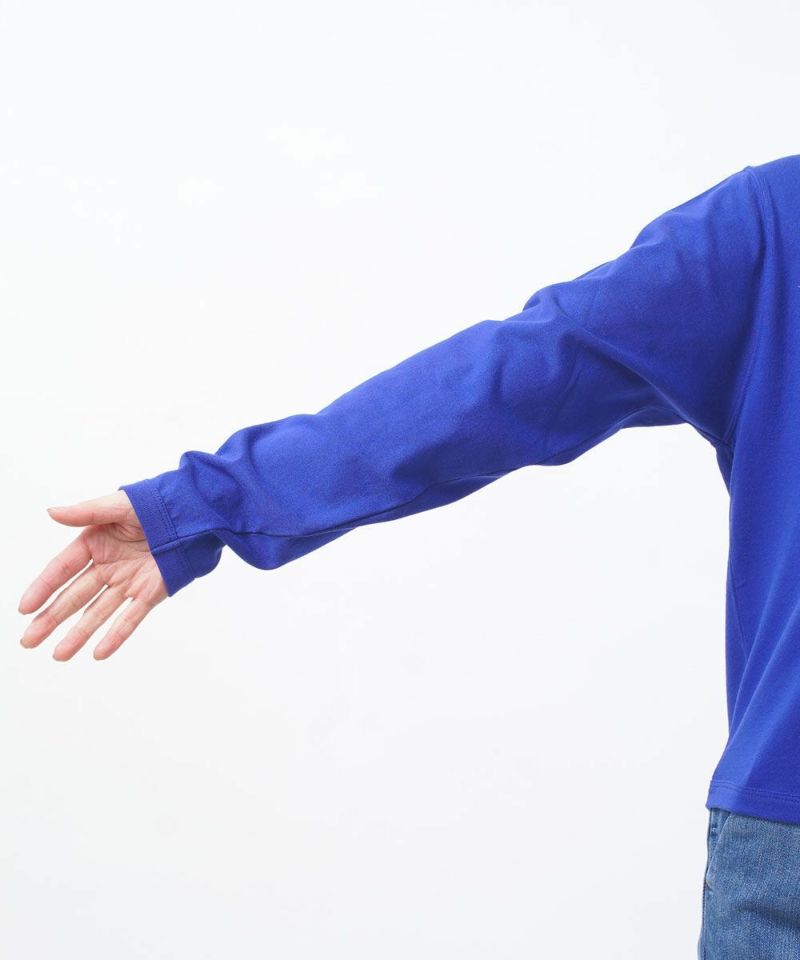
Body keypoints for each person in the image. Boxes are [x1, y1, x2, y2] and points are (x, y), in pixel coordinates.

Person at [16, 153, 800, 957]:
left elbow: (511, 377)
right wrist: (205, 502)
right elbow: (513, 377)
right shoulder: (776, 222)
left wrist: (207, 501)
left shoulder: (778, 218)